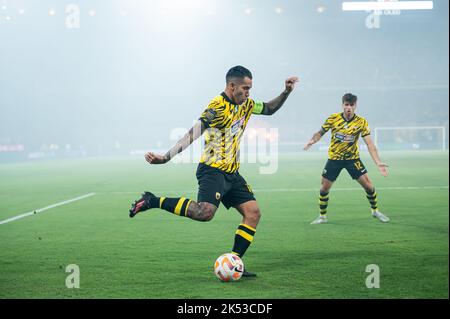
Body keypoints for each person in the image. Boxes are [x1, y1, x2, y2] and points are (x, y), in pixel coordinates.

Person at [129, 65, 299, 276]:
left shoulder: (246, 104)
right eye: (245, 88)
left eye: (250, 89)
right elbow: (193, 133)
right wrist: (166, 157)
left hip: (232, 173)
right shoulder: (217, 107)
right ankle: (152, 200)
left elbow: (269, 109)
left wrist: (286, 92)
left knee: (253, 213)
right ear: (231, 85)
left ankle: (235, 262)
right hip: (212, 170)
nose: (248, 93)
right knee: (204, 213)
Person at [304, 93, 390, 224]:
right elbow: (320, 133)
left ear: (355, 106)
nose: (348, 107)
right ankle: (322, 216)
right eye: (346, 105)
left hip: (352, 160)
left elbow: (369, 143)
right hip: (334, 159)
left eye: (351, 105)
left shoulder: (361, 122)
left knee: (369, 187)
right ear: (342, 105)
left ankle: (375, 211)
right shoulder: (333, 119)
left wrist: (378, 162)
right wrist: (312, 140)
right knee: (324, 188)